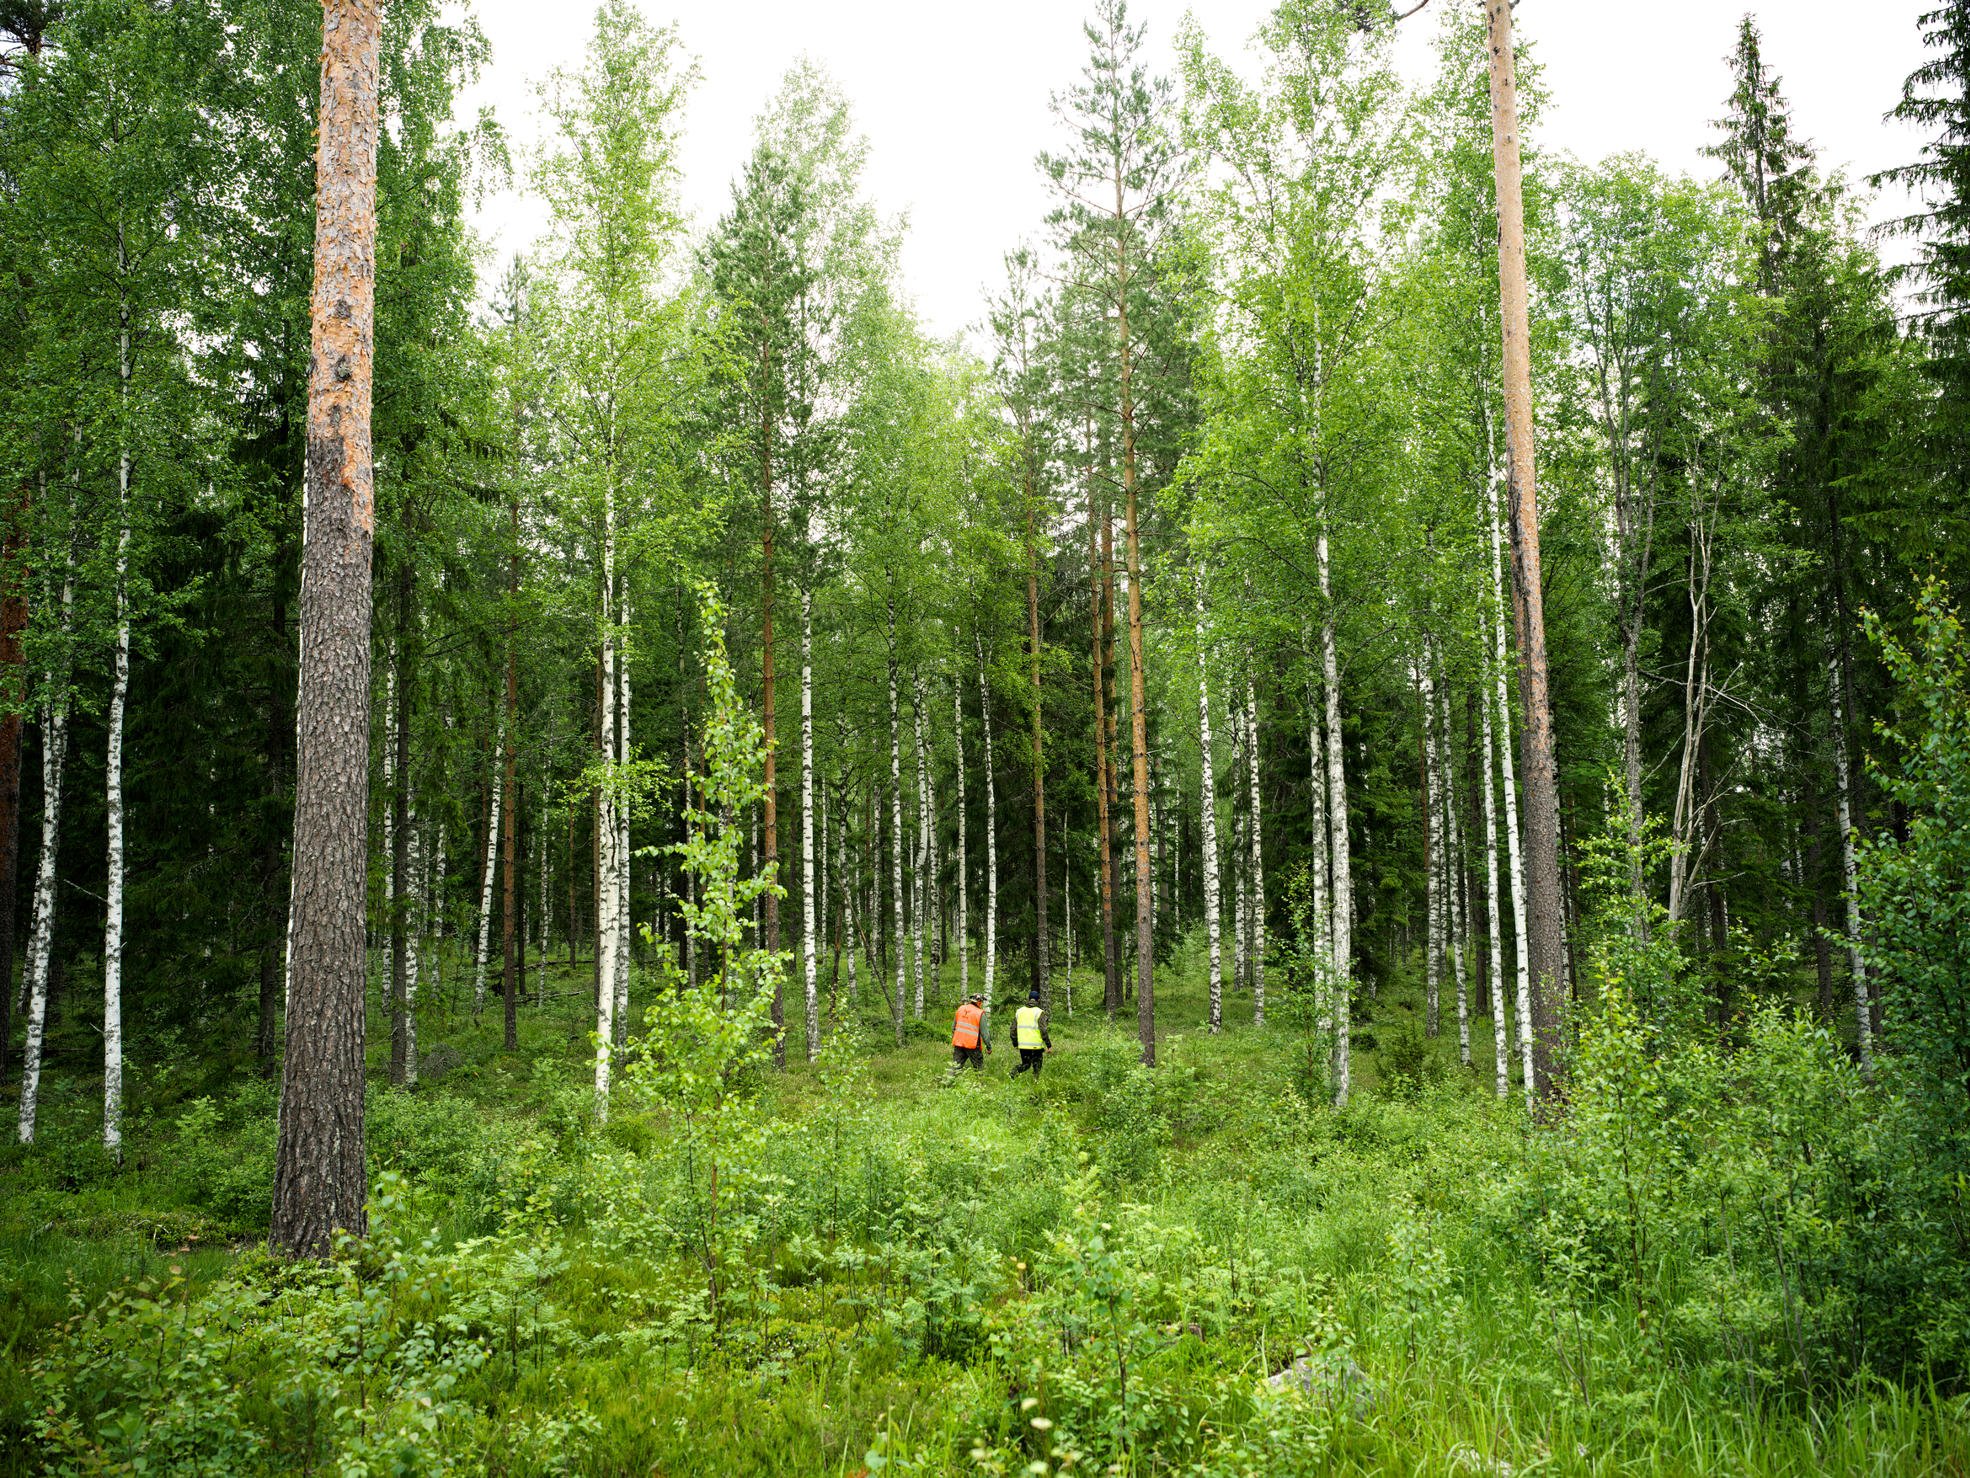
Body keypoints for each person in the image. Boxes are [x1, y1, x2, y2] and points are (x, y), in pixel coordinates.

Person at [1009, 991, 1052, 1080]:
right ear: (1038, 1000)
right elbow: (1043, 1030)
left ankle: (1013, 1074)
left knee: (1026, 1064)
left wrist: (1015, 1043)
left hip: (1023, 1045)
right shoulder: (1039, 1012)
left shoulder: (1019, 1011)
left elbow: (1012, 1029)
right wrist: (1048, 1045)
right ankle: (1035, 1083)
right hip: (1036, 1046)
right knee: (1037, 1067)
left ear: (1028, 999)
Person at [951, 993, 990, 1072]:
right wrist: (989, 1047)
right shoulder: (980, 1013)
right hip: (973, 1045)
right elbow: (985, 1034)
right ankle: (979, 1084)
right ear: (979, 1002)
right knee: (978, 1069)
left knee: (955, 1068)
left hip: (959, 1043)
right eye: (981, 1002)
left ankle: (948, 1083)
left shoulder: (961, 1009)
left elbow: (953, 1028)